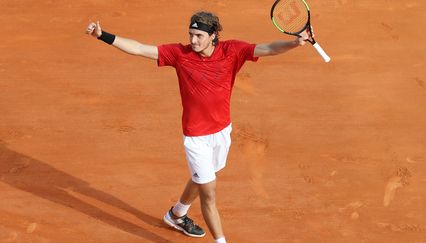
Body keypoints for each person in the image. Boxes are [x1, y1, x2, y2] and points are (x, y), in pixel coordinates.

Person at [86, 11, 311, 243]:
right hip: (196, 138)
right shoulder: (179, 54)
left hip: (222, 132)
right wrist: (104, 36)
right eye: (191, 35)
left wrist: (295, 42)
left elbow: (269, 48)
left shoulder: (232, 51)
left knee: (202, 176)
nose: (193, 41)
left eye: (199, 36)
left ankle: (177, 214)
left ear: (213, 36)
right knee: (209, 193)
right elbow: (140, 48)